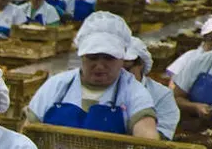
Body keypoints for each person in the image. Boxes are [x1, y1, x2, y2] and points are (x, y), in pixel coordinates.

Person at [27, 11, 158, 137]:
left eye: (108, 58)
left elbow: (146, 137)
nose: (100, 66)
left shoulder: (133, 92)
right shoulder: (57, 86)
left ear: (123, 57)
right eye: (92, 57)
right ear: (81, 55)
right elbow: (28, 130)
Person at [125, 37, 177, 139]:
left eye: (126, 69)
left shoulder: (161, 95)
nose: (120, 74)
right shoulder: (104, 89)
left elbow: (158, 142)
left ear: (141, 64)